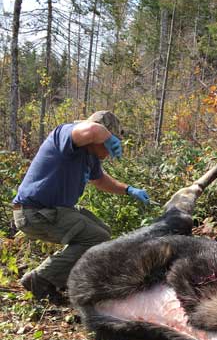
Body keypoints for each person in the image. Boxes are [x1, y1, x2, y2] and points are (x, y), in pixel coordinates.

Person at [12, 110, 149, 303]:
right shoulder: (65, 136)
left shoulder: (89, 155)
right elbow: (92, 129)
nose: (109, 152)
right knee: (96, 238)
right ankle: (40, 279)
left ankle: (67, 279)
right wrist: (108, 136)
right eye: (109, 143)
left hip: (53, 211)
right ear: (99, 138)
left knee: (103, 232)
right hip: (34, 212)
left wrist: (129, 190)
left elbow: (100, 180)